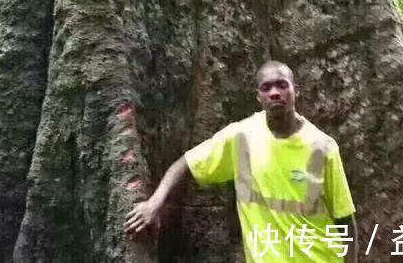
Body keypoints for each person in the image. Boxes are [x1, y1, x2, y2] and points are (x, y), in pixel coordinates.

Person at [124, 60, 358, 263]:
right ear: (258, 97)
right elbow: (185, 163)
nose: (274, 93)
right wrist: (153, 204)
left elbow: (345, 220)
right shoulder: (241, 137)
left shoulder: (323, 147)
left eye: (282, 85)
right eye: (266, 88)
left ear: (296, 91)